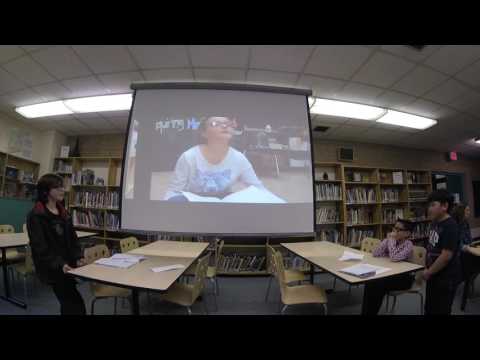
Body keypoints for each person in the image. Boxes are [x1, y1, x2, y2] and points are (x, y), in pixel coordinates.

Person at [164, 116, 266, 201]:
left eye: (228, 123)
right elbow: (174, 191)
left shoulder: (239, 158)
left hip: (224, 200)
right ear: (204, 133)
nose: (224, 126)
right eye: (214, 124)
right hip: (193, 200)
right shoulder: (189, 156)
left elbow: (258, 188)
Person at [26, 174, 87, 315]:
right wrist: (59, 264)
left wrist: (78, 256)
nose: (63, 190)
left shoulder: (63, 212)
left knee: (70, 303)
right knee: (74, 304)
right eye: (57, 187)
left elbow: (73, 238)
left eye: (62, 186)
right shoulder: (36, 215)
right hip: (53, 267)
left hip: (68, 264)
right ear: (46, 191)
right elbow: (40, 247)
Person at [363, 219, 415, 315]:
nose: (395, 232)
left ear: (407, 233)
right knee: (371, 281)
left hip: (404, 277)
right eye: (394, 228)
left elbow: (394, 257)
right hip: (390, 273)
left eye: (399, 229)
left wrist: (390, 240)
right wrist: (386, 241)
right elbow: (375, 253)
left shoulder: (408, 245)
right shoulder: (390, 241)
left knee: (378, 283)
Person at [423, 190, 461, 315]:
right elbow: (431, 247)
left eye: (433, 205)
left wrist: (429, 271)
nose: (429, 209)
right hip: (434, 275)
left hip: (446, 278)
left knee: (441, 310)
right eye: (429, 205)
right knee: (429, 308)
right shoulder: (434, 223)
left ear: (444, 206)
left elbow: (446, 256)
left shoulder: (451, 226)